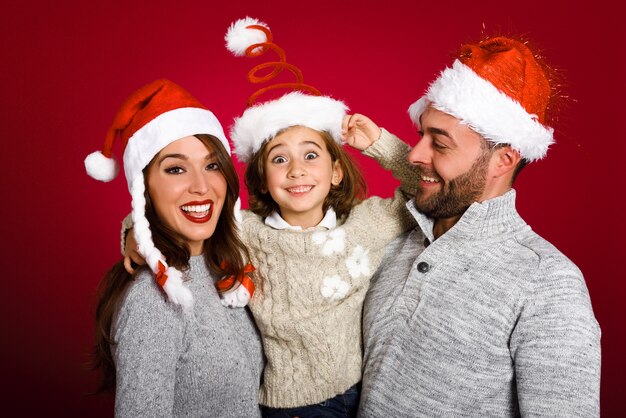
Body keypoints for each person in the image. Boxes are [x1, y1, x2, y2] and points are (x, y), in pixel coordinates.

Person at [123, 17, 420, 417]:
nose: (296, 170)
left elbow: (428, 189)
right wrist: (133, 234)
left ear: (335, 171)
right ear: (262, 178)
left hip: (366, 392)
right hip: (291, 406)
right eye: (279, 159)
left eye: (311, 155)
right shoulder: (245, 231)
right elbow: (179, 217)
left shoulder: (367, 223)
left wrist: (380, 143)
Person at [357, 36, 601, 417]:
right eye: (421, 134)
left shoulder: (548, 283)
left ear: (503, 160)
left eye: (439, 144)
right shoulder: (395, 240)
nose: (416, 154)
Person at [86, 79, 263, 417]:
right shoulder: (155, 298)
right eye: (176, 169)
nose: (201, 186)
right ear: (144, 188)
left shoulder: (224, 266)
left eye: (212, 165)